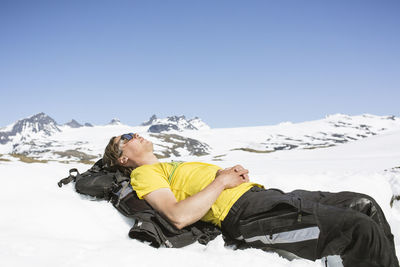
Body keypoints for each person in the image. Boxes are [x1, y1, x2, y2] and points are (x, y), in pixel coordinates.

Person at [103, 132, 399, 267]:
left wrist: (229, 176)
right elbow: (178, 215)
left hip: (265, 196)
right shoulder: (145, 176)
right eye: (125, 138)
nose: (135, 134)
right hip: (247, 214)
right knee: (359, 228)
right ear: (123, 158)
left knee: (365, 204)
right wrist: (221, 181)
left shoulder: (170, 166)